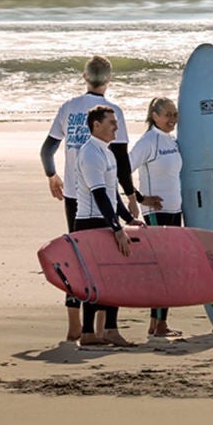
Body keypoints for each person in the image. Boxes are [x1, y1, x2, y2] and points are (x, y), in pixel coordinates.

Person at [40, 55, 142, 341]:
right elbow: (120, 161)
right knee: (106, 260)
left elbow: (46, 150)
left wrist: (52, 175)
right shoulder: (111, 111)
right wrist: (131, 197)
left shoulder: (69, 108)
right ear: (108, 80)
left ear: (85, 77)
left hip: (73, 195)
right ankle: (101, 328)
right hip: (96, 198)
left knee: (78, 260)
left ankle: (76, 326)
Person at [73, 104, 141, 347]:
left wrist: (128, 219)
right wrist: (117, 229)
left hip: (105, 219)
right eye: (111, 123)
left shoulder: (107, 152)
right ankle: (88, 332)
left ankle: (110, 329)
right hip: (90, 223)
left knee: (114, 276)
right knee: (94, 278)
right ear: (96, 125)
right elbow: (100, 194)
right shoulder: (90, 153)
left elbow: (112, 194)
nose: (116, 127)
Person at [130, 97, 180, 338]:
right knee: (163, 270)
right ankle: (158, 325)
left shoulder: (171, 140)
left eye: (175, 115)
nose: (172, 119)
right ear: (154, 115)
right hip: (156, 214)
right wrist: (140, 198)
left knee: (168, 269)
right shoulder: (148, 141)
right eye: (167, 115)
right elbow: (122, 169)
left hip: (174, 211)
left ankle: (157, 323)